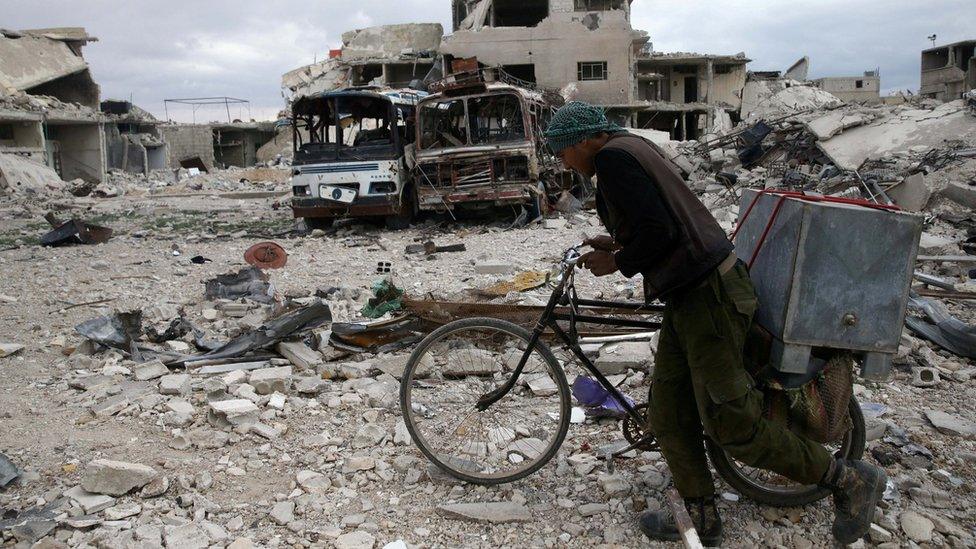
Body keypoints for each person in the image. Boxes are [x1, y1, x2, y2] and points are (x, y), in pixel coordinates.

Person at [543, 101, 886, 546]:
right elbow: (663, 221)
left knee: (732, 425)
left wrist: (619, 260)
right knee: (668, 412)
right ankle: (702, 516)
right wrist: (618, 240)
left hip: (710, 299)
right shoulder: (632, 147)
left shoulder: (612, 159)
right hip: (690, 299)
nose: (562, 161)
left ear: (585, 140)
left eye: (563, 151)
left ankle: (847, 481)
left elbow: (660, 232)